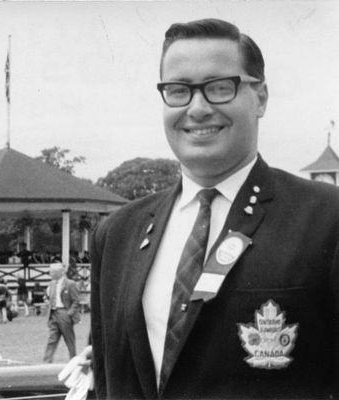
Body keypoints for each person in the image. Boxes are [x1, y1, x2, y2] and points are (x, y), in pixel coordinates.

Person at [90, 18, 339, 399]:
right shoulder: (118, 233)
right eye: (178, 91)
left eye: (220, 88)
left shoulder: (327, 219)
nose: (198, 108)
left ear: (261, 97)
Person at [43, 263, 80, 363]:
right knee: (52, 339)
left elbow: (76, 301)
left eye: (52, 271)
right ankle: (47, 361)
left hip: (64, 313)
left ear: (59, 272)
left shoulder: (70, 284)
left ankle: (73, 360)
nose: (50, 273)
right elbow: (46, 295)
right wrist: (47, 301)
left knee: (69, 340)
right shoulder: (51, 283)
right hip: (54, 313)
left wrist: (69, 313)